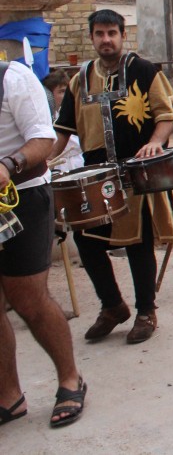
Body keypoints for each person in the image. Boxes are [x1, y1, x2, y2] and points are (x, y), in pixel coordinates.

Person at [51, 9, 173, 345]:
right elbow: (63, 132)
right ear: (92, 37)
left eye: (112, 33)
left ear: (123, 35)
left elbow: (167, 116)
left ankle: (146, 311)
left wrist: (154, 143)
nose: (106, 40)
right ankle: (112, 306)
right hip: (96, 179)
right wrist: (41, 160)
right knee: (87, 243)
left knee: (138, 243)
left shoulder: (143, 70)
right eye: (100, 34)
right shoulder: (80, 80)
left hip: (137, 174)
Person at [0, 59, 87, 428]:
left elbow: (44, 139)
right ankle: (9, 396)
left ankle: (70, 379)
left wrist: (9, 164)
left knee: (28, 298)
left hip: (23, 196)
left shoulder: (13, 79)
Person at [41, 70, 83, 173]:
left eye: (66, 91)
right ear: (50, 95)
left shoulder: (76, 112)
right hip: (58, 165)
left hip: (78, 162)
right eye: (61, 91)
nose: (66, 95)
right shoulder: (45, 117)